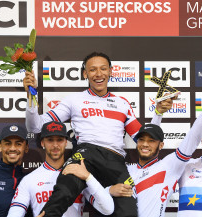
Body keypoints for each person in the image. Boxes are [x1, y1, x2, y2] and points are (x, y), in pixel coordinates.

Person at [24, 52, 169, 217]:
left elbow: (144, 139)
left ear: (111, 71)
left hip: (115, 161)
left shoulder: (122, 104)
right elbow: (35, 127)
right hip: (86, 155)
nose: (98, 74)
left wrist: (158, 113)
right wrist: (31, 95)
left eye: (103, 69)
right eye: (92, 70)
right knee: (64, 189)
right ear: (85, 74)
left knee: (128, 211)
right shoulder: (74, 100)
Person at [101, 68, 202, 217]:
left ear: (161, 145)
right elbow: (96, 195)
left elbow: (193, 136)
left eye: (151, 141)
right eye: (141, 140)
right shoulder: (126, 170)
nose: (145, 144)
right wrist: (109, 190)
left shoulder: (169, 166)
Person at [7, 121, 114, 217]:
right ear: (42, 143)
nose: (55, 145)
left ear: (66, 142)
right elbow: (14, 213)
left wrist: (88, 177)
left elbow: (108, 209)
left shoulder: (78, 175)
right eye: (50, 140)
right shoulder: (29, 180)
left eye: (59, 140)